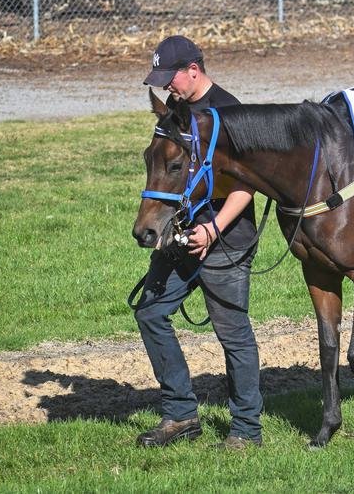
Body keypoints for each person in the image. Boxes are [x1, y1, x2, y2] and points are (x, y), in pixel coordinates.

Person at [135, 35, 263, 450]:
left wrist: (213, 228)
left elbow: (248, 186)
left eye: (169, 77)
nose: (166, 86)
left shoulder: (230, 113)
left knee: (233, 332)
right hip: (183, 233)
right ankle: (180, 415)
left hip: (227, 236)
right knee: (151, 311)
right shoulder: (176, 111)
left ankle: (246, 430)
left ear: (194, 69)